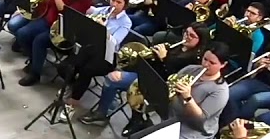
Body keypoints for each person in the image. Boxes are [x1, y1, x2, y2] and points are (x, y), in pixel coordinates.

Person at [81, 24, 211, 126]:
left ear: (200, 41)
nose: (186, 37)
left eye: (192, 36)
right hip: (148, 74)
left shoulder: (195, 60)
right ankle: (108, 109)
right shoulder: (177, 44)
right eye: (186, 33)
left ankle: (112, 115)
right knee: (113, 77)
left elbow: (174, 78)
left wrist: (164, 59)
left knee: (114, 81)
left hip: (161, 85)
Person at [13, 0, 93, 86]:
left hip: (61, 29)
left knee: (39, 41)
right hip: (48, 19)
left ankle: (35, 74)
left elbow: (67, 12)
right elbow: (51, 4)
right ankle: (34, 60)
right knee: (22, 33)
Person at [56, 0, 135, 99]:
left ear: (125, 5)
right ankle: (72, 85)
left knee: (86, 71)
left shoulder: (126, 22)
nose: (114, 5)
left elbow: (116, 41)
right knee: (64, 67)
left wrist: (102, 30)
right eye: (113, 0)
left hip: (107, 57)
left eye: (119, 2)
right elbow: (88, 10)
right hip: (89, 49)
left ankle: (73, 101)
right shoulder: (104, 10)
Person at [167, 43, 233, 139]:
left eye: (212, 63)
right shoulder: (191, 69)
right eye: (205, 59)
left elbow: (200, 118)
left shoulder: (220, 91)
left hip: (193, 131)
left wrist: (188, 97)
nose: (206, 64)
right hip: (173, 115)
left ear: (223, 65)